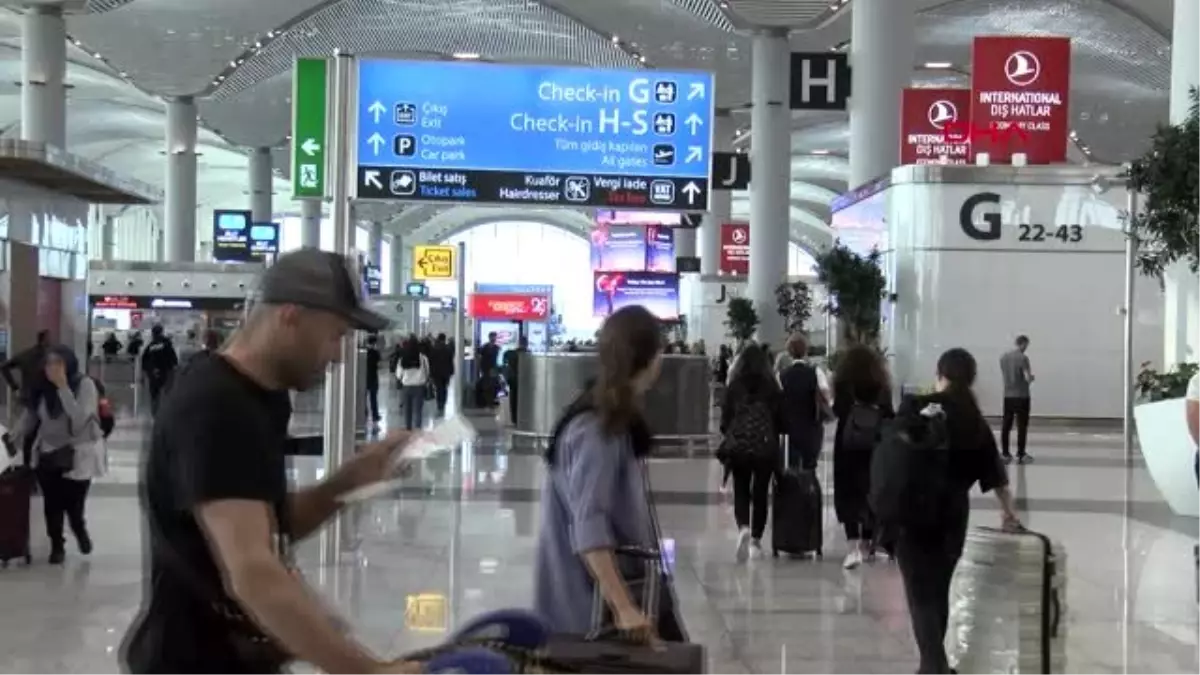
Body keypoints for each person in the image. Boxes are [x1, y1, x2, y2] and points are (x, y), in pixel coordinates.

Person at [120, 248, 422, 675]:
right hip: (193, 662)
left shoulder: (264, 396)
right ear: (291, 315)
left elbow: (269, 525)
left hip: (240, 657)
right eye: (335, 335)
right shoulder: (215, 405)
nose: (338, 356)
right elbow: (253, 572)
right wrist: (365, 671)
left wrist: (346, 484)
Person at [534, 305, 686, 642]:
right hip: (592, 616)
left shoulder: (608, 416)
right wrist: (623, 607)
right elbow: (590, 524)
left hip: (606, 606)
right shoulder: (597, 427)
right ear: (651, 358)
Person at [893, 348, 1021, 675]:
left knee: (919, 593)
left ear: (941, 375)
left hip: (912, 512)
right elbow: (995, 475)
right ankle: (932, 666)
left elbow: (891, 454)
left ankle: (933, 666)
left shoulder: (914, 407)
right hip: (952, 516)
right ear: (971, 379)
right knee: (937, 590)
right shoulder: (973, 420)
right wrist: (1008, 513)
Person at [17, 346, 105, 565]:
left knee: (74, 506)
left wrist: (63, 387)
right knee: (52, 504)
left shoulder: (85, 385)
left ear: (69, 364)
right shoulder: (41, 388)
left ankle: (79, 529)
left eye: (58, 364)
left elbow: (79, 420)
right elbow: (30, 418)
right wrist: (12, 437)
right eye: (48, 364)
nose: (52, 369)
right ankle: (57, 545)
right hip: (48, 452)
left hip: (77, 454)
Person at [719, 343, 784, 562]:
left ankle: (743, 527)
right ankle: (756, 541)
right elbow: (780, 419)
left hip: (740, 446)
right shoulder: (771, 386)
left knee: (741, 488)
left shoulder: (735, 385)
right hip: (765, 446)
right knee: (760, 492)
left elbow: (725, 419)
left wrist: (731, 433)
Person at [832, 344, 894, 570]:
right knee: (872, 487)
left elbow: (838, 410)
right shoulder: (882, 383)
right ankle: (870, 542)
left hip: (848, 441)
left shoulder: (843, 382)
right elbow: (889, 413)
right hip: (875, 441)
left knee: (848, 490)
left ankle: (852, 547)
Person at [779, 333, 831, 472]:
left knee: (792, 469)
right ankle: (811, 491)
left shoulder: (782, 375)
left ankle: (794, 492)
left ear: (789, 352)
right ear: (806, 350)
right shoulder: (816, 372)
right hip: (812, 428)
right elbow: (827, 396)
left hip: (790, 430)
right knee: (810, 467)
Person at [999, 335, 1035, 464]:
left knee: (1006, 425)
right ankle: (1021, 453)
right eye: (1026, 345)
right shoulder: (1023, 358)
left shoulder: (1003, 358)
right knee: (1022, 426)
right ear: (1023, 344)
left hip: (1008, 396)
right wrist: (1031, 378)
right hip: (1022, 396)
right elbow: (1027, 377)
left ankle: (1005, 453)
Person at [0, 328, 51, 407]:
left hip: (29, 397)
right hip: (44, 399)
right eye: (50, 339)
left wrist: (14, 387)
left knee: (30, 416)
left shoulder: (26, 354)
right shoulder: (50, 357)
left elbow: (4, 367)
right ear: (44, 340)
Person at [141, 325, 179, 416]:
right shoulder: (167, 344)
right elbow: (174, 360)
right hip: (166, 373)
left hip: (154, 374)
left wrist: (148, 371)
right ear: (162, 332)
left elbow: (144, 361)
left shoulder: (150, 346)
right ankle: (166, 414)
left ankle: (155, 414)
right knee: (167, 393)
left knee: (154, 394)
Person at [396, 335, 430, 431]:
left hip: (406, 387)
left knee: (407, 411)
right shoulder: (423, 358)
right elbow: (427, 372)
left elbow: (399, 374)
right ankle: (417, 431)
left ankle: (408, 430)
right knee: (418, 411)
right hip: (419, 387)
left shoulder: (403, 358)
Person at [503, 336, 529, 426]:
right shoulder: (527, 354)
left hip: (513, 379)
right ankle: (520, 417)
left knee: (514, 398)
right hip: (521, 380)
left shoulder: (512, 353)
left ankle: (515, 418)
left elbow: (506, 362)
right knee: (522, 399)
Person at [428, 333, 455, 417]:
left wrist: (430, 373)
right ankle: (443, 404)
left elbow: (431, 362)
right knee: (444, 388)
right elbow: (451, 360)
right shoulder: (448, 349)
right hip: (446, 373)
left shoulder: (434, 348)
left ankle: (440, 406)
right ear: (444, 339)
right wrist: (451, 371)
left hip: (436, 373)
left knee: (438, 389)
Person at [476, 332, 501, 407]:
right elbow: (479, 355)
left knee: (494, 385)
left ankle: (491, 400)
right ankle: (488, 401)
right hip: (486, 368)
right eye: (492, 337)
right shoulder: (485, 347)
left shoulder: (496, 347)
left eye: (495, 337)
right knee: (487, 385)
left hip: (493, 368)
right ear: (489, 338)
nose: (494, 339)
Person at [364, 334, 382, 424]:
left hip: (364, 377)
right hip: (373, 377)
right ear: (375, 343)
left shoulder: (364, 352)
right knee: (373, 398)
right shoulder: (376, 353)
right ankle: (375, 415)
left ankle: (364, 414)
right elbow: (379, 364)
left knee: (363, 397)